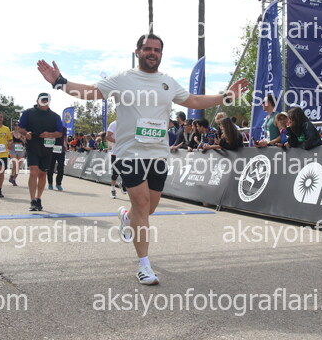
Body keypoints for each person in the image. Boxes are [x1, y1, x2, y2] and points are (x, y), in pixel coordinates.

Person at [37, 33, 248, 285]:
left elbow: (193, 100)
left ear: (161, 54)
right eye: (147, 49)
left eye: (157, 50)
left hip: (158, 155)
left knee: (148, 209)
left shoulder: (167, 82)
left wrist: (225, 96)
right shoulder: (123, 79)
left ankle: (127, 217)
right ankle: (144, 265)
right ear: (138, 52)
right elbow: (91, 92)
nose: (152, 53)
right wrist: (60, 82)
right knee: (142, 203)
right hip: (129, 153)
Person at [18, 93, 64, 211]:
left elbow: (60, 133)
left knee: (42, 174)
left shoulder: (55, 116)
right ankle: (32, 200)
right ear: (37, 100)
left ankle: (38, 199)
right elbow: (20, 128)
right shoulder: (28, 113)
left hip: (47, 148)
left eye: (46, 100)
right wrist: (26, 133)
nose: (44, 101)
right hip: (32, 146)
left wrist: (50, 134)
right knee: (33, 172)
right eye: (42, 100)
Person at [106, 120, 126, 198]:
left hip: (126, 153)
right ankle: (113, 190)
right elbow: (107, 136)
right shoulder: (113, 124)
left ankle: (123, 185)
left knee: (127, 171)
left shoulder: (128, 122)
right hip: (116, 153)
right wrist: (117, 141)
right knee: (115, 173)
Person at [47, 126, 67, 191]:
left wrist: (66, 145)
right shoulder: (50, 127)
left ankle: (58, 184)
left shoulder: (63, 128)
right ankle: (50, 183)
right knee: (50, 167)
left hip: (60, 150)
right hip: (51, 150)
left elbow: (65, 137)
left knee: (61, 166)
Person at [9, 121, 26, 187]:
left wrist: (21, 139)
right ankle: (12, 175)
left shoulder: (22, 134)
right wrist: (11, 142)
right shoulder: (11, 133)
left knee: (19, 165)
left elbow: (25, 141)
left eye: (18, 125)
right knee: (15, 163)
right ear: (14, 126)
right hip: (13, 148)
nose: (17, 126)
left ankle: (13, 178)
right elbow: (8, 142)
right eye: (15, 125)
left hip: (21, 148)